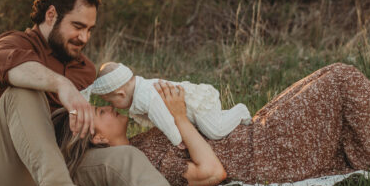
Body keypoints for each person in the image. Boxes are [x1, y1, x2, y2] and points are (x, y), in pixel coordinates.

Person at [0, 0, 282, 186]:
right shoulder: (14, 44)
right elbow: (16, 72)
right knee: (24, 92)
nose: (84, 37)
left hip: (51, 177)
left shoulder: (84, 69)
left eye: (90, 29)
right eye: (77, 26)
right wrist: (61, 86)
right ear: (51, 15)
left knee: (122, 158)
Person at [57, 63, 370, 186]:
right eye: (99, 111)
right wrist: (179, 116)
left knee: (327, 76)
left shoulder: (141, 137)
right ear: (97, 136)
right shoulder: (136, 162)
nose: (105, 107)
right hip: (263, 154)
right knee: (340, 78)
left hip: (254, 134)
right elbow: (212, 173)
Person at [88, 61, 252, 147]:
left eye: (111, 101)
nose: (113, 106)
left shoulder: (145, 96)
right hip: (190, 111)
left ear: (121, 94)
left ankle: (240, 111)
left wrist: (177, 140)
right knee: (206, 127)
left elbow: (164, 120)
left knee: (215, 132)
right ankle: (223, 115)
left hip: (197, 104)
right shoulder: (139, 90)